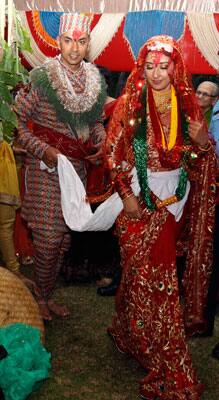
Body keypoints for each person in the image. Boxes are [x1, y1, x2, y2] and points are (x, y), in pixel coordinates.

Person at [105, 35, 216, 399]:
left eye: (163, 67)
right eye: (150, 66)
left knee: (161, 281)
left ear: (176, 68)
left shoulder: (188, 108)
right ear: (142, 67)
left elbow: (197, 167)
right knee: (137, 273)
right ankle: (131, 332)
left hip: (173, 206)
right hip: (136, 202)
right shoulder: (128, 104)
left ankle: (162, 352)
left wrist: (202, 144)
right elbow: (112, 154)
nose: (156, 74)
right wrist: (126, 196)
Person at [14, 13, 107, 321]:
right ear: (58, 42)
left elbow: (94, 123)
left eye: (81, 42)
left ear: (88, 44)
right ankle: (39, 297)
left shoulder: (94, 78)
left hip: (76, 172)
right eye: (68, 41)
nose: (74, 49)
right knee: (49, 238)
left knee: (64, 239)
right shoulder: (42, 76)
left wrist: (101, 143)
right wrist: (44, 151)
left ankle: (46, 295)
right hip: (45, 170)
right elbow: (18, 125)